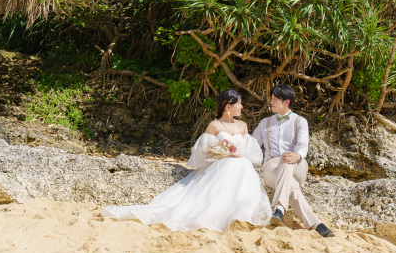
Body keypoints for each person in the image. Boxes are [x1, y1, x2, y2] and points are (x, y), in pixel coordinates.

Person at [100, 89, 272, 231]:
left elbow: (251, 150)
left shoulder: (242, 125)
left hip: (242, 164)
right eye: (239, 104)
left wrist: (238, 152)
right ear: (228, 106)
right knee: (230, 167)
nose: (242, 107)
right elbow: (204, 151)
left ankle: (241, 213)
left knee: (243, 166)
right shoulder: (214, 126)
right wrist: (223, 152)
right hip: (222, 165)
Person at [252, 84, 334, 237]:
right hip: (272, 168)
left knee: (287, 159)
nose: (271, 102)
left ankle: (278, 209)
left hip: (297, 164)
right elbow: (253, 143)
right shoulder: (265, 123)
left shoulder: (300, 121)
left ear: (286, 102)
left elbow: (303, 145)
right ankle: (317, 224)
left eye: (275, 99)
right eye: (271, 98)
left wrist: (298, 155)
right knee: (292, 186)